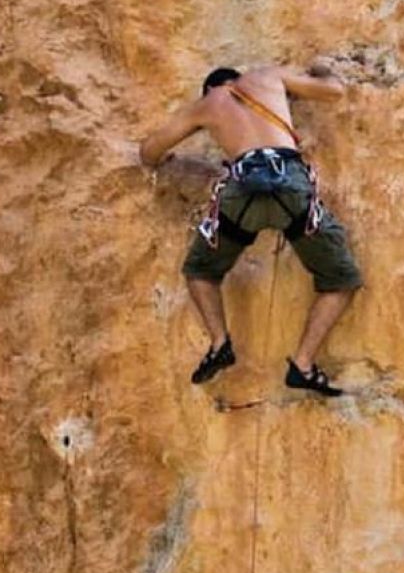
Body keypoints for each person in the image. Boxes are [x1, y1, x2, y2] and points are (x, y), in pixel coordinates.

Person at [139, 63, 363, 395]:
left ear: (211, 88)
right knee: (342, 279)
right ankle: (303, 364)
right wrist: (322, 70)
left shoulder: (208, 104)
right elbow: (334, 91)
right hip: (289, 184)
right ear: (236, 77)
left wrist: (171, 159)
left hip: (241, 193)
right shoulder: (266, 77)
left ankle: (219, 344)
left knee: (200, 270)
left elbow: (150, 151)